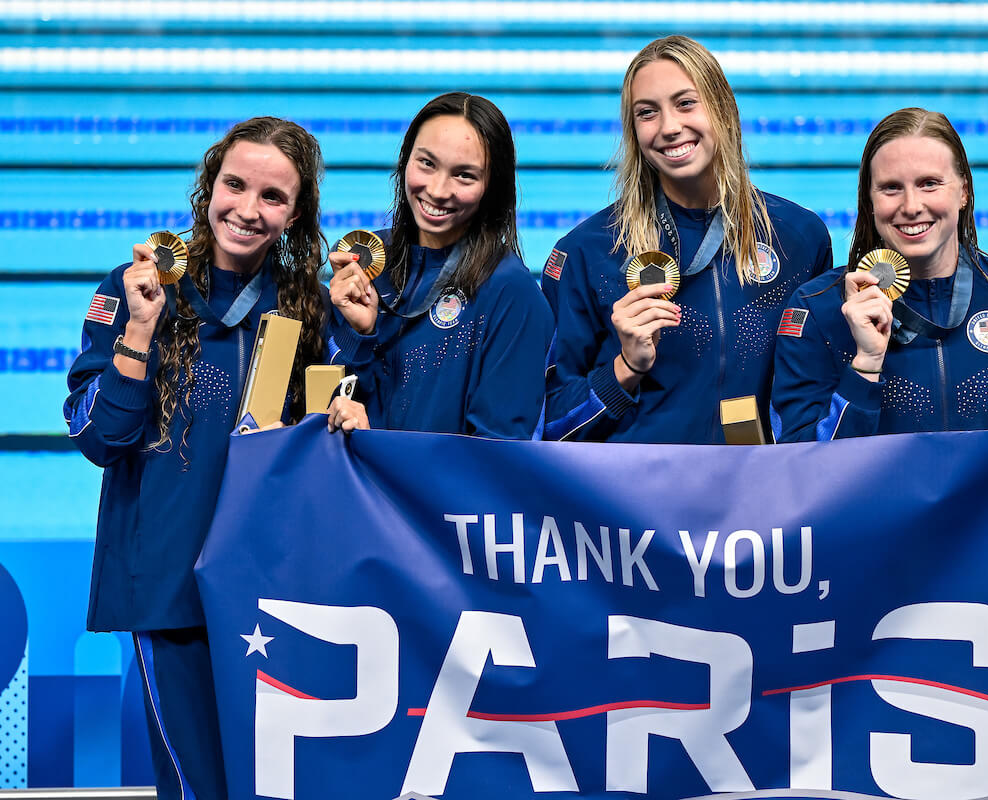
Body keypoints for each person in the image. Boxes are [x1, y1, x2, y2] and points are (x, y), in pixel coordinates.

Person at [64, 117, 329, 798]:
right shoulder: (137, 287)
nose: (247, 208)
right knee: (195, 785)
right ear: (207, 187)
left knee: (271, 783)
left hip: (266, 585)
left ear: (296, 213)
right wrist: (141, 331)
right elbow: (98, 438)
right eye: (234, 184)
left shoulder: (307, 305)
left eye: (273, 196)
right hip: (167, 583)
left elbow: (322, 450)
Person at [772, 107, 988, 475]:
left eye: (929, 183)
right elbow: (798, 473)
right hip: (879, 533)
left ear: (963, 191)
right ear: (870, 202)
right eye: (891, 188)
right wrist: (865, 365)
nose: (912, 207)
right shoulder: (819, 311)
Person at [540, 35, 832, 443]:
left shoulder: (799, 237)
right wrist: (625, 368)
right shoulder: (587, 252)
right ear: (633, 132)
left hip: (757, 495)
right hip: (638, 497)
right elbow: (546, 425)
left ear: (723, 108)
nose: (670, 127)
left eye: (685, 103)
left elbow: (814, 393)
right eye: (647, 113)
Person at [325, 92, 552, 438]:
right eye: (427, 163)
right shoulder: (368, 265)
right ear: (405, 161)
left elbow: (497, 456)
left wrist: (379, 448)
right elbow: (326, 414)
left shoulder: (512, 296)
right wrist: (360, 336)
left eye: (464, 175)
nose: (437, 189)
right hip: (352, 489)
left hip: (426, 493)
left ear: (492, 187)